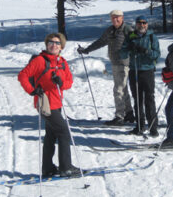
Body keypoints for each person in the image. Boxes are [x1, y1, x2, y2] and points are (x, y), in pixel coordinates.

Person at [18, 33, 80, 177]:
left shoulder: (62, 62)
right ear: (47, 44)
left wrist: (61, 83)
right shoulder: (40, 60)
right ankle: (66, 167)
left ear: (62, 47)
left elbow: (69, 82)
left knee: (51, 136)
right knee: (64, 132)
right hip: (45, 104)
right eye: (51, 42)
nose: (54, 45)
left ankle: (48, 168)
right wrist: (32, 90)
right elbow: (22, 76)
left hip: (57, 102)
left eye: (57, 43)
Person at [78, 10, 135, 126]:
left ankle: (119, 116)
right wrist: (87, 50)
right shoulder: (110, 30)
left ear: (122, 17)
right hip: (115, 63)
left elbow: (136, 42)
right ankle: (129, 113)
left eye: (117, 17)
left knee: (118, 89)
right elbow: (101, 42)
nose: (115, 20)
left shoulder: (128, 29)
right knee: (123, 89)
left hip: (124, 64)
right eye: (113, 18)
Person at [120, 15, 161, 137]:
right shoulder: (131, 36)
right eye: (139, 23)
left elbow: (157, 55)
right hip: (134, 70)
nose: (142, 25)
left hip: (147, 71)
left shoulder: (152, 37)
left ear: (147, 24)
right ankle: (139, 126)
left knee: (149, 99)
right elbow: (122, 53)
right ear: (136, 24)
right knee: (137, 99)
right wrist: (128, 48)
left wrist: (145, 51)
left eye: (144, 23)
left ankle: (153, 127)